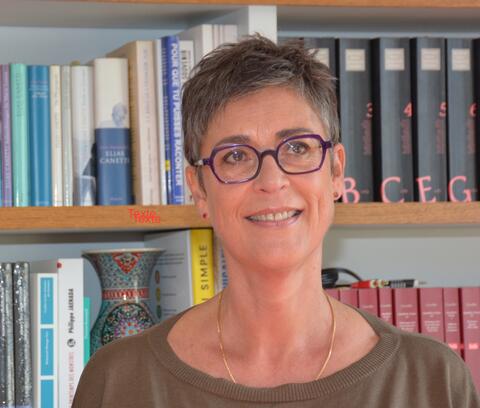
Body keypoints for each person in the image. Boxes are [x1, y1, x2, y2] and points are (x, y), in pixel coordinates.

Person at [72, 35, 479, 407]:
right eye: (235, 156)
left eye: (297, 148)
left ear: (336, 172)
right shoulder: (119, 382)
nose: (272, 180)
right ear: (199, 190)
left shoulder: (432, 381)